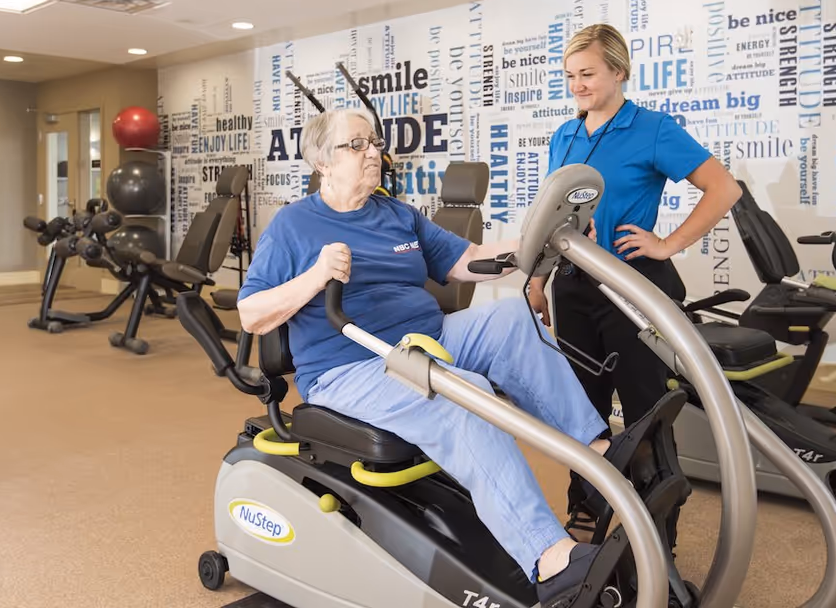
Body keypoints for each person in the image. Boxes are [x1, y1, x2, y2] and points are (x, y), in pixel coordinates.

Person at [236, 107, 667, 607]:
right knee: (466, 396)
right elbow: (251, 314)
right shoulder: (294, 224)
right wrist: (315, 275)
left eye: (373, 142)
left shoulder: (395, 213)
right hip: (349, 366)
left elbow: (464, 261)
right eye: (356, 145)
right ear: (321, 162)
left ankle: (596, 453)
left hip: (428, 336)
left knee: (510, 319)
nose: (373, 152)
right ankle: (550, 559)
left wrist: (539, 244)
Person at [527, 23, 742, 530]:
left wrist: (667, 244)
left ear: (619, 72)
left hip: (632, 288)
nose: (577, 85)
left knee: (646, 414)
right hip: (573, 287)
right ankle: (586, 518)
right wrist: (538, 279)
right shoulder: (567, 133)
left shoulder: (653, 129)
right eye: (570, 75)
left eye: (588, 73)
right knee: (582, 411)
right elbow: (552, 215)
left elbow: (723, 188)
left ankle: (660, 531)